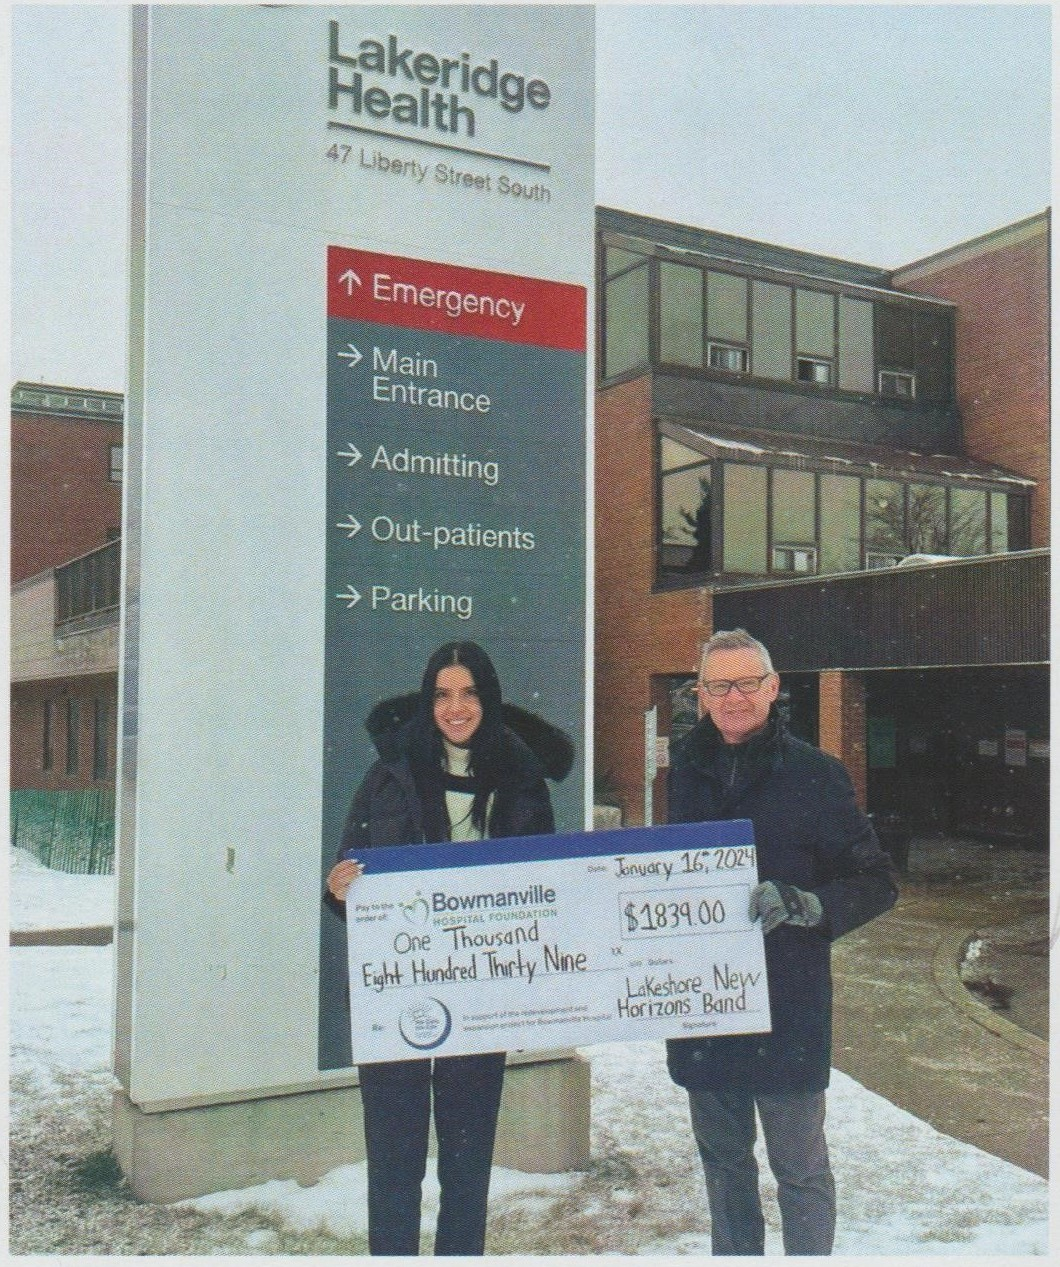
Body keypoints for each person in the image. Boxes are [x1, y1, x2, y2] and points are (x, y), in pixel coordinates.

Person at [325, 640, 572, 1257]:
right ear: (428, 701)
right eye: (442, 694)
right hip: (399, 999)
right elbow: (347, 870)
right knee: (393, 1168)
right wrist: (338, 889)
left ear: (487, 700)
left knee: (466, 1172)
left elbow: (543, 887)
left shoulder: (520, 780)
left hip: (480, 999)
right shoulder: (392, 772)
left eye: (468, 694)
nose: (455, 708)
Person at [666, 628, 898, 1256]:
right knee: (723, 1166)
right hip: (706, 1006)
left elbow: (877, 880)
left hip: (785, 1008)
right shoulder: (683, 769)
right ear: (702, 696)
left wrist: (809, 904)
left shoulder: (817, 776)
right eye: (720, 685)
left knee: (799, 1172)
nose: (735, 696)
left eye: (748, 682)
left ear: (772, 688)